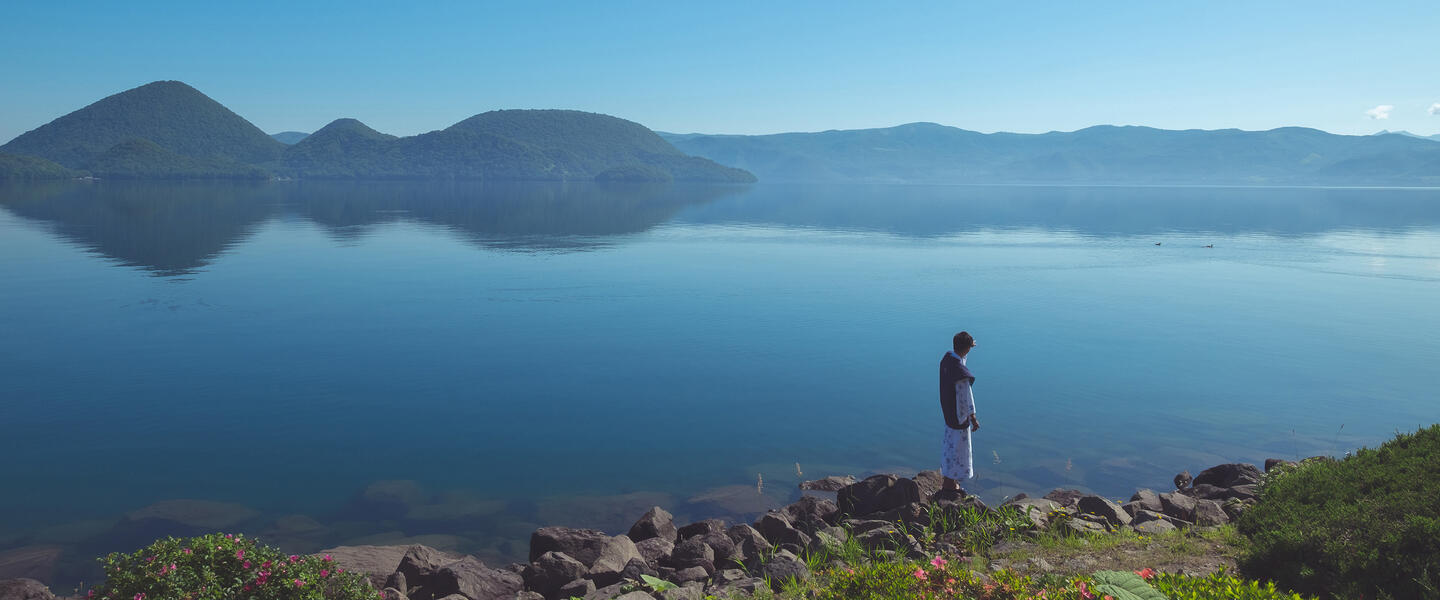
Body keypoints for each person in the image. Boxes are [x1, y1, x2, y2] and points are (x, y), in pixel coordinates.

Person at [939, 331, 979, 493]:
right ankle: (950, 483)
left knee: (949, 446)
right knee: (959, 449)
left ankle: (948, 479)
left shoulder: (947, 360)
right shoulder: (961, 375)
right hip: (958, 417)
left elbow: (959, 361)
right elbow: (966, 398)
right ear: (967, 348)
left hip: (948, 413)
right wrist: (973, 418)